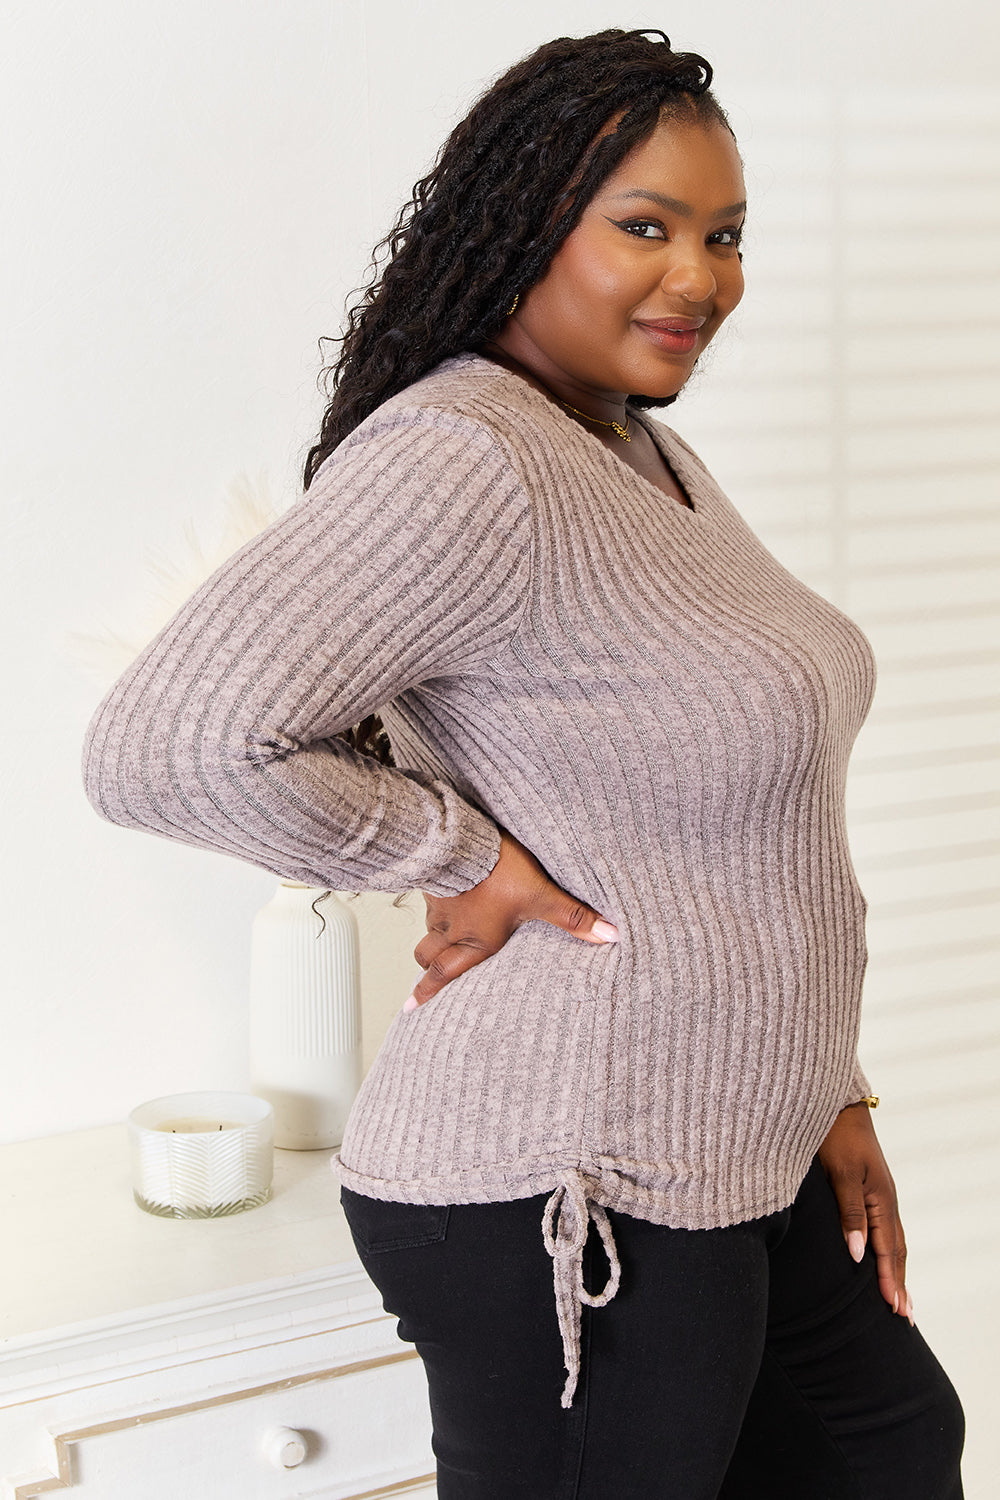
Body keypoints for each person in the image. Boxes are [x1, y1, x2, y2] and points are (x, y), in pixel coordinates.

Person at [82, 27, 966, 1500]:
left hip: (741, 1141)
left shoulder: (636, 455)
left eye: (725, 235)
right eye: (646, 226)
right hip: (569, 1176)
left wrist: (836, 1086)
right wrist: (461, 857)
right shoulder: (467, 455)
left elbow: (744, 837)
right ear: (524, 221)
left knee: (888, 1441)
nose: (701, 278)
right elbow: (166, 746)